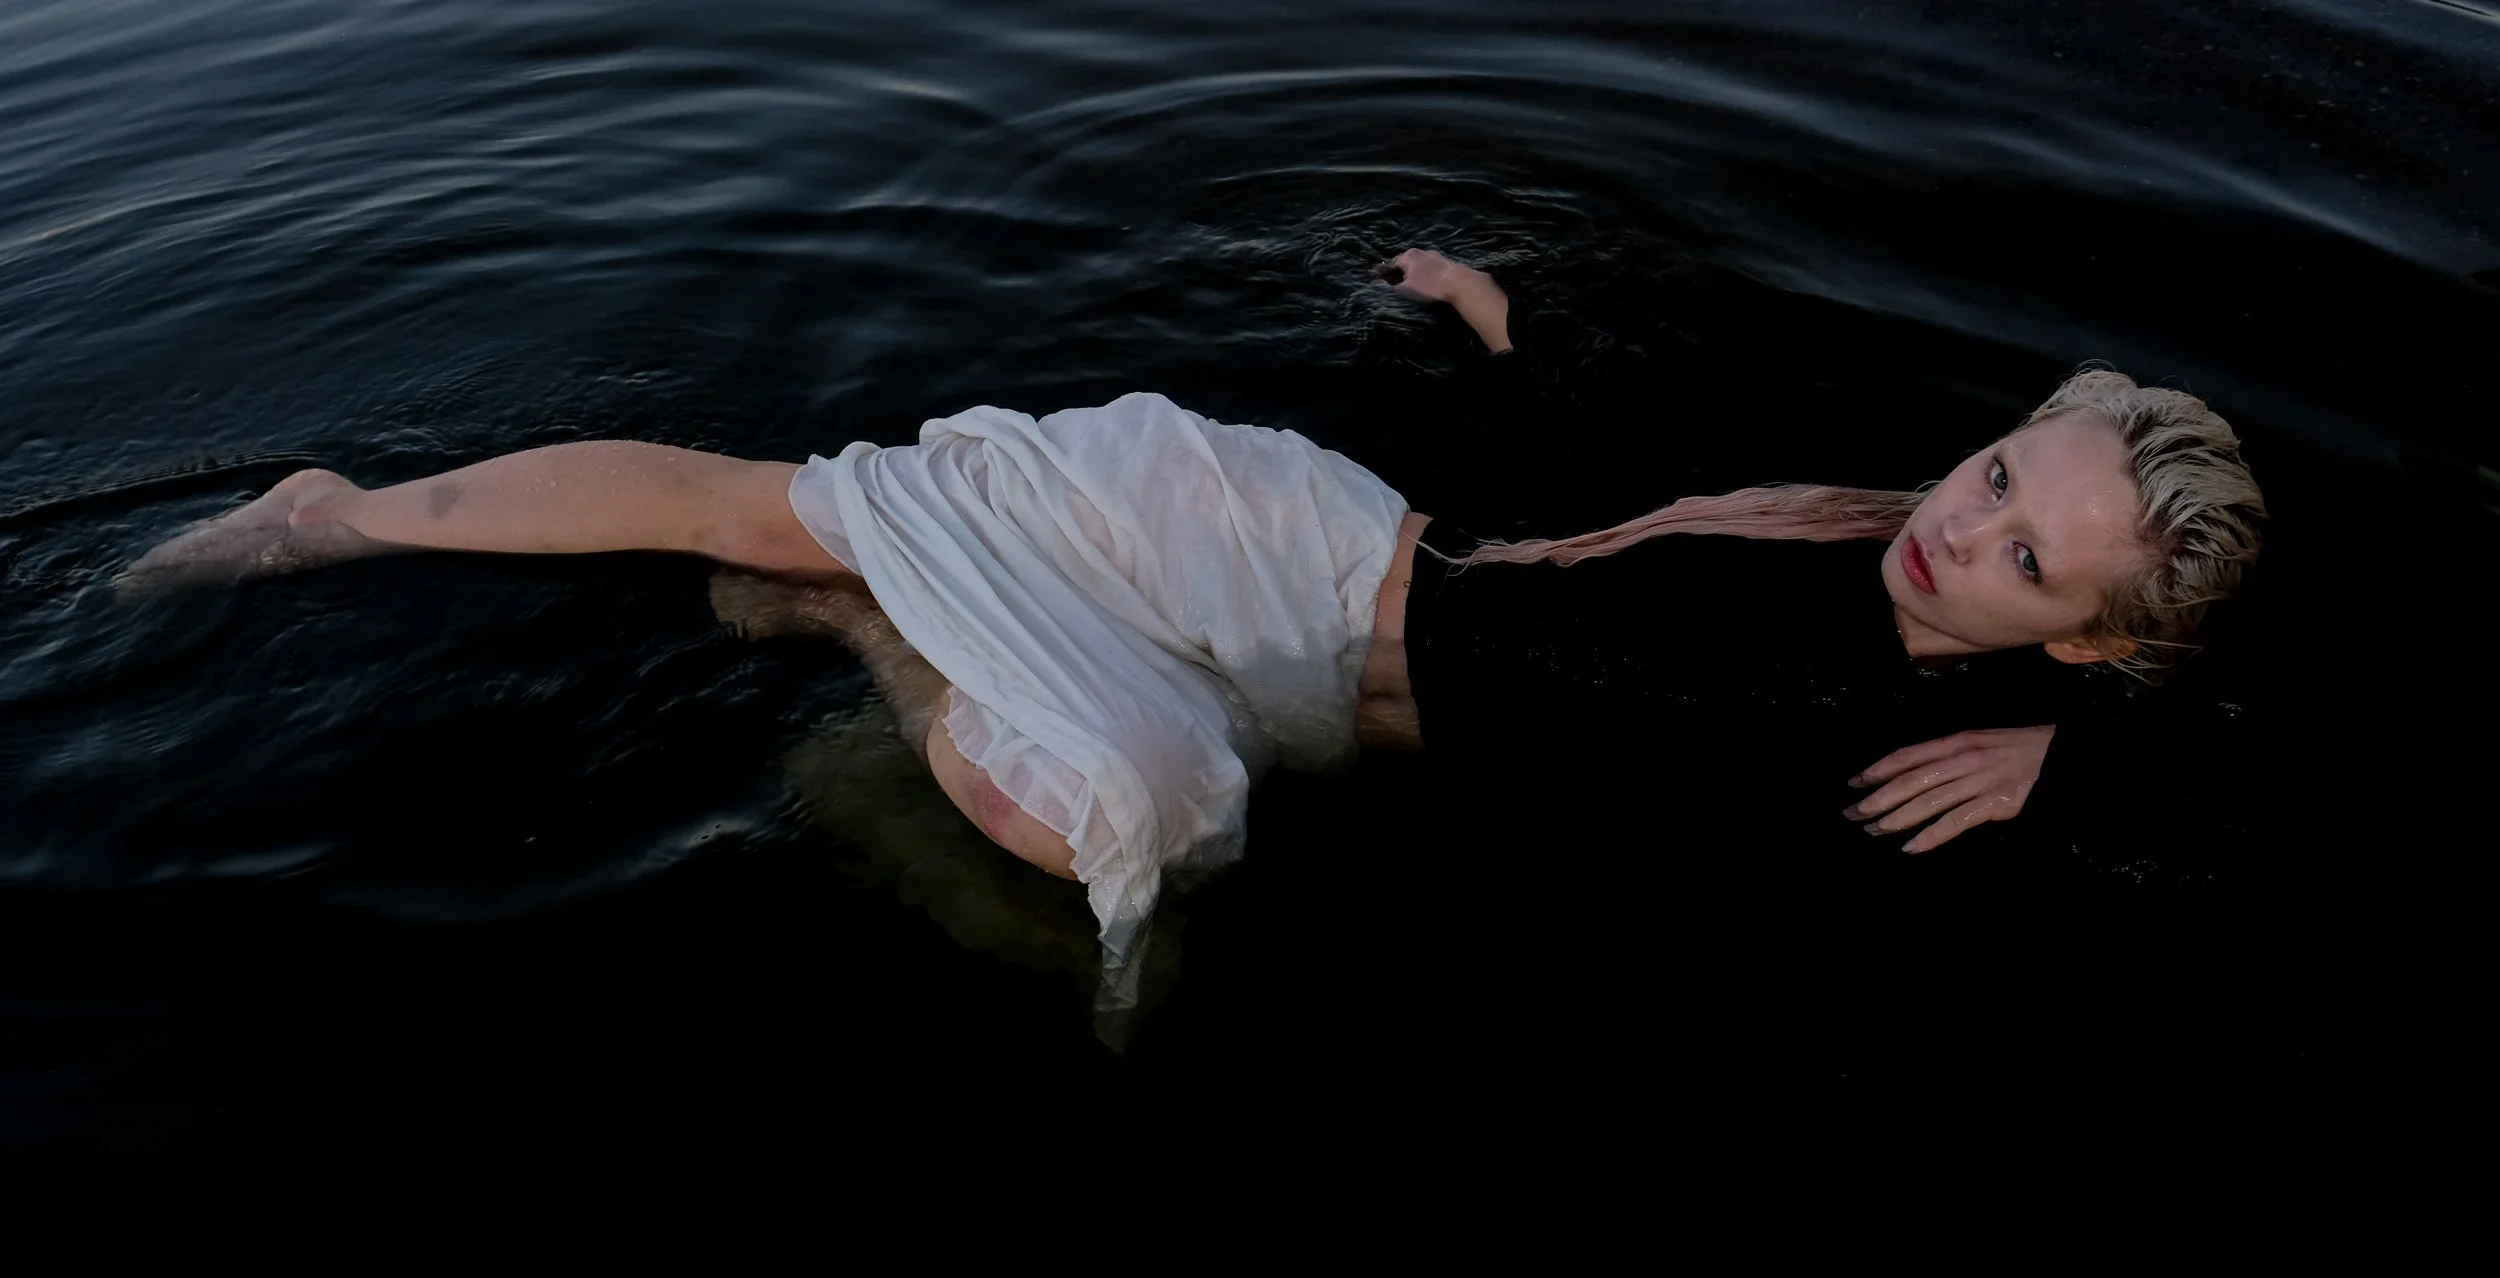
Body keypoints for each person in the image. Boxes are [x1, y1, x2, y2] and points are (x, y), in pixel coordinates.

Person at [120, 248, 2267, 982]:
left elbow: (2312, 811)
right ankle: (336, 519)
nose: (1963, 527)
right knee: (773, 509)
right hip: (1285, 548)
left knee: (1132, 832)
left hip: (1292, 700)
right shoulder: (1829, 516)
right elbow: (1619, 459)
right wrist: (1488, 309)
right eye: (2002, 472)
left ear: (2088, 640)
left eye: (2025, 558)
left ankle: (869, 628)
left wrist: (2076, 775)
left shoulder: (1927, 723)